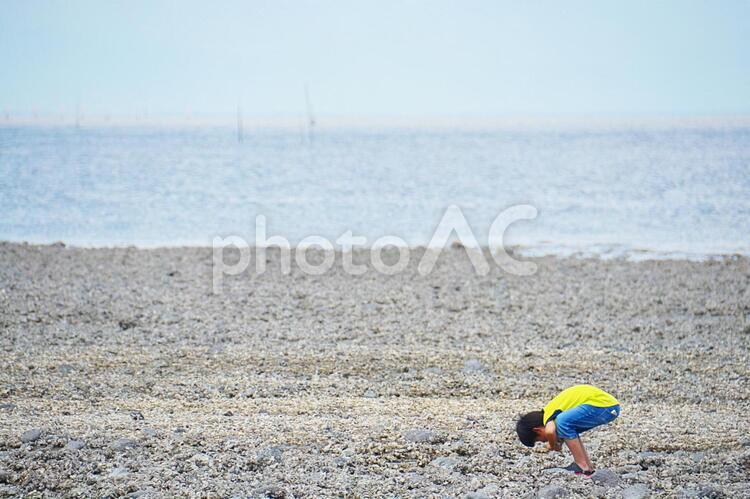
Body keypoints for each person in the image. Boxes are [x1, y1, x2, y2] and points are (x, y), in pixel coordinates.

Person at [515, 384, 620, 475]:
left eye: (540, 440)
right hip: (607, 406)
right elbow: (565, 434)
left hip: (603, 406)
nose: (544, 441)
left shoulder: (548, 417)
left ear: (537, 430)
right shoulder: (551, 411)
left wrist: (553, 445)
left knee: (562, 422)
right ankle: (588, 467)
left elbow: (549, 431)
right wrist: (559, 441)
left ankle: (582, 466)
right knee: (567, 428)